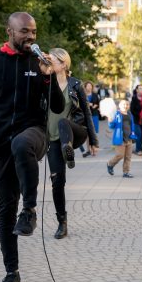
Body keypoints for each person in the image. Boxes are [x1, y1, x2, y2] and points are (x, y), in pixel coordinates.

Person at [0, 12, 65, 282]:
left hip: (35, 134)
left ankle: (30, 210)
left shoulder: (39, 63)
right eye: (25, 32)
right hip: (0, 144)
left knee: (22, 143)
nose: (31, 37)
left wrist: (52, 77)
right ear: (9, 31)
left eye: (33, 32)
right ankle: (12, 273)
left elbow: (56, 107)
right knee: (4, 210)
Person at [45, 48, 99, 239]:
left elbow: (85, 111)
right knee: (57, 181)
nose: (49, 64)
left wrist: (93, 140)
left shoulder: (75, 84)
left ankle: (67, 149)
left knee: (62, 122)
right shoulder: (45, 83)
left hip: (75, 132)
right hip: (52, 139)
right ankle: (62, 222)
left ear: (64, 64)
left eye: (52, 61)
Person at [107, 100, 136, 178]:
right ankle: (110, 164)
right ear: (119, 106)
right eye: (123, 104)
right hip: (120, 139)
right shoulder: (117, 114)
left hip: (129, 138)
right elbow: (112, 126)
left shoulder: (130, 114)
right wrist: (110, 121)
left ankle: (126, 172)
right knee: (120, 155)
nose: (125, 106)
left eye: (127, 104)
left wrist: (133, 133)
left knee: (128, 156)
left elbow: (132, 124)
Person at [82, 81, 100, 157]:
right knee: (87, 134)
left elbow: (98, 103)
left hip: (94, 115)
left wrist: (93, 105)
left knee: (94, 133)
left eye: (90, 86)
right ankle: (88, 149)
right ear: (85, 87)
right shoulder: (83, 95)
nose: (89, 87)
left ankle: (94, 149)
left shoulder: (95, 95)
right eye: (88, 86)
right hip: (86, 116)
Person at [130, 84, 142, 155]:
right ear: (137, 90)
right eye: (140, 88)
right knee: (139, 134)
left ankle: (139, 148)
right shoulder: (134, 98)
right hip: (136, 120)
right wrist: (139, 114)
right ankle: (138, 150)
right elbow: (132, 110)